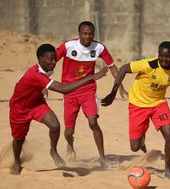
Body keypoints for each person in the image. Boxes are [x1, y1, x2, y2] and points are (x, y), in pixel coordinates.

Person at [9, 43, 108, 175]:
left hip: (37, 103)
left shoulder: (47, 69)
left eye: (55, 59)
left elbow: (39, 81)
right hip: (19, 109)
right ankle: (16, 162)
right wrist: (91, 77)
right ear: (40, 59)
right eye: (50, 59)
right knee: (19, 139)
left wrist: (43, 89)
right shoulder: (35, 73)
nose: (54, 62)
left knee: (55, 125)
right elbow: (63, 89)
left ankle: (53, 150)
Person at [101, 41, 170, 179]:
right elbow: (123, 68)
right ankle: (142, 139)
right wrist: (113, 92)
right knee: (135, 147)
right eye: (162, 56)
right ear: (158, 54)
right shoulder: (148, 64)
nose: (165, 59)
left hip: (158, 104)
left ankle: (168, 171)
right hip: (137, 105)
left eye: (169, 57)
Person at [56, 21, 127, 163]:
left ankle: (102, 157)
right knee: (69, 131)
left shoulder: (99, 47)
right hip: (69, 92)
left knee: (93, 121)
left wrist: (121, 88)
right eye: (85, 34)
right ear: (79, 34)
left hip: (88, 91)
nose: (88, 36)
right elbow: (51, 62)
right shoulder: (67, 46)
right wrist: (44, 83)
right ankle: (70, 145)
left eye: (90, 34)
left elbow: (112, 67)